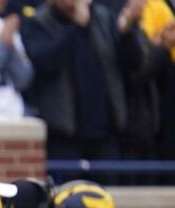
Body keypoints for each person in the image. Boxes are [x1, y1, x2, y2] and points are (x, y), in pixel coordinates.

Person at [20, 0, 150, 178]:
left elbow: (132, 65)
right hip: (64, 136)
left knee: (107, 200)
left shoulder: (103, 17)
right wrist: (76, 28)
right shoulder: (37, 22)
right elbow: (45, 63)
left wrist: (127, 32)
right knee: (67, 199)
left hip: (105, 135)